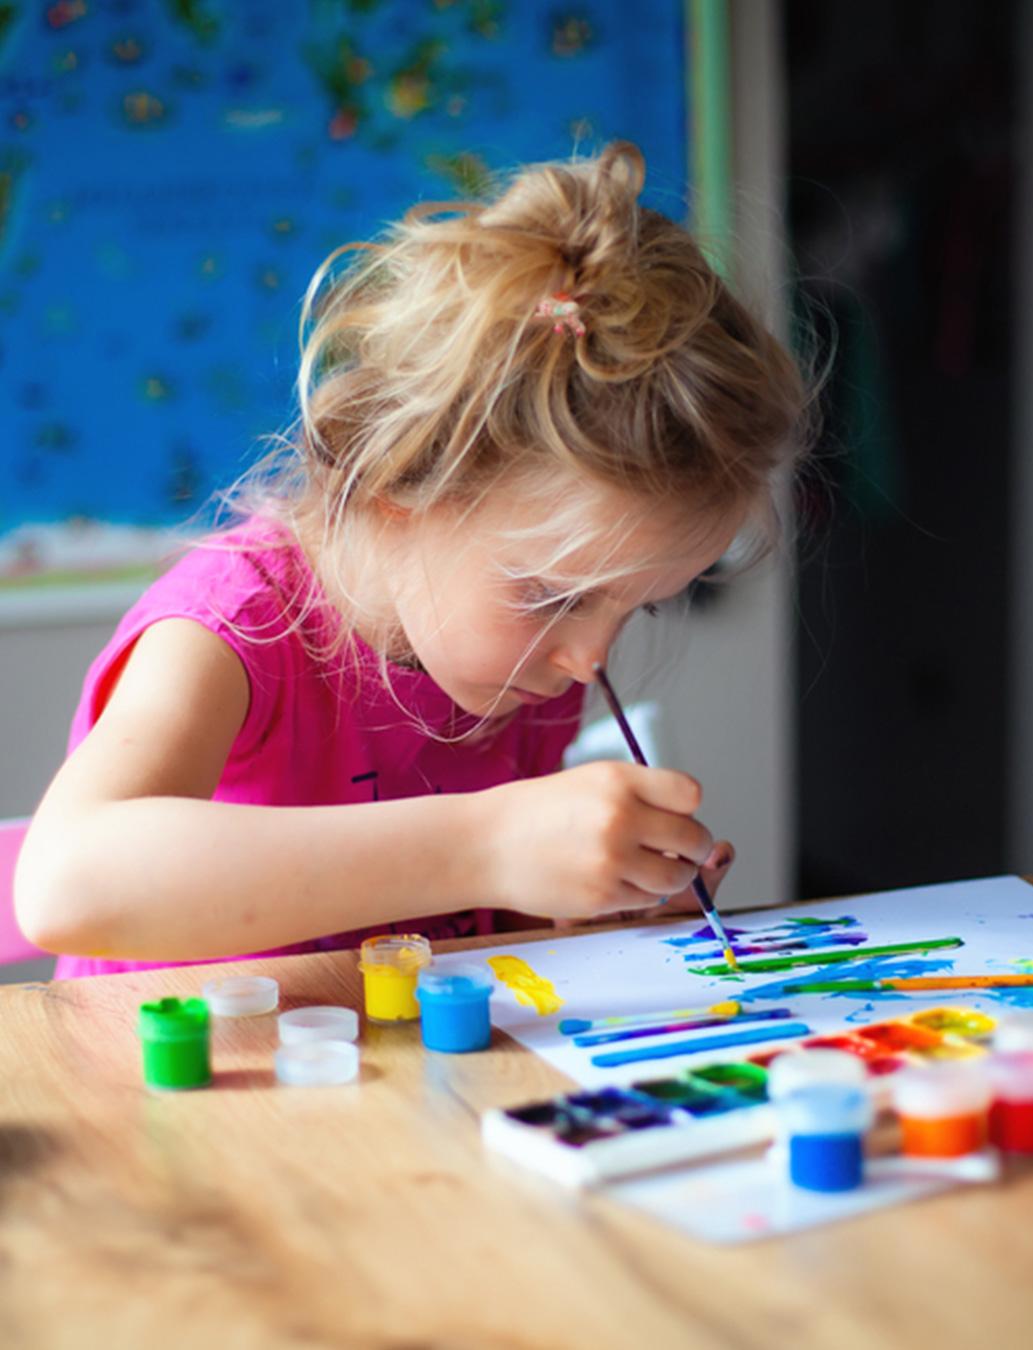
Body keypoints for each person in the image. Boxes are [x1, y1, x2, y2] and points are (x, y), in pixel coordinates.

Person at [15, 142, 812, 977]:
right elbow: (67, 884)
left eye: (637, 605)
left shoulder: (521, 671)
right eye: (551, 596)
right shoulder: (232, 627)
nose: (589, 660)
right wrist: (488, 843)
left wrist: (588, 894)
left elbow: (468, 932)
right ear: (402, 491)